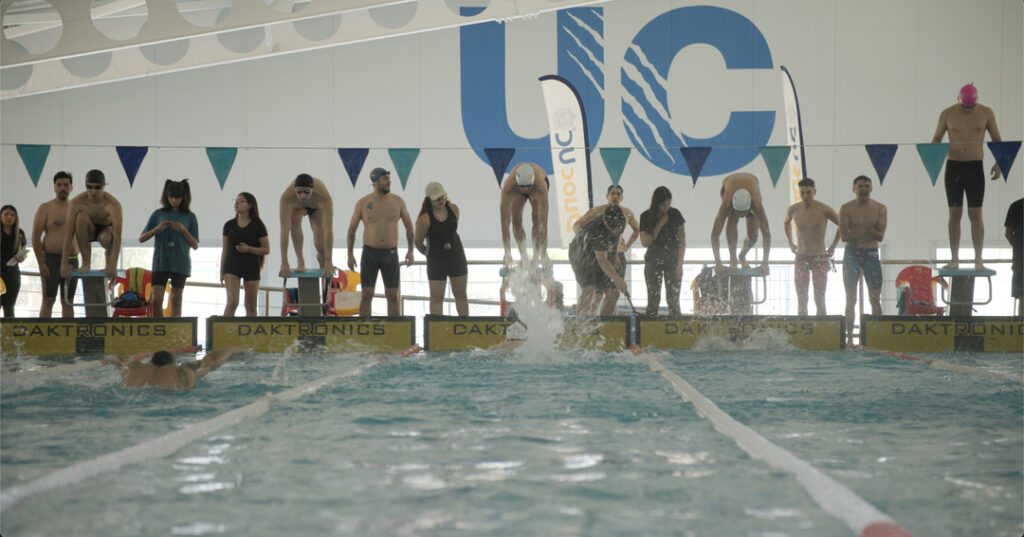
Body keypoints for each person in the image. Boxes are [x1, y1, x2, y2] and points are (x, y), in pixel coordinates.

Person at [930, 83, 1003, 270]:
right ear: (958, 100)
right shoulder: (947, 114)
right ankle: (954, 259)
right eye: (964, 107)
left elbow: (997, 139)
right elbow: (936, 140)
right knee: (954, 213)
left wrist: (999, 163)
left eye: (970, 107)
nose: (968, 110)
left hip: (975, 167)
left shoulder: (986, 113)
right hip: (953, 166)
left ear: (976, 101)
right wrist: (933, 164)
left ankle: (979, 260)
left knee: (976, 214)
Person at [346, 167, 414, 316]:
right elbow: (352, 231)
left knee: (393, 296)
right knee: (366, 294)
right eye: (385, 179)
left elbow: (409, 227)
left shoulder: (398, 201)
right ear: (375, 182)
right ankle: (365, 330)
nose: (389, 182)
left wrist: (410, 251)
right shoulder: (363, 203)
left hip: (390, 254)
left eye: (389, 178)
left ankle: (394, 331)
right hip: (370, 253)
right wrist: (350, 255)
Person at [573, 185, 640, 311]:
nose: (615, 196)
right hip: (597, 253)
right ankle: (585, 322)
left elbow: (637, 230)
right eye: (613, 194)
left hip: (616, 254)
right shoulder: (597, 211)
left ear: (622, 197)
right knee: (594, 292)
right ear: (607, 196)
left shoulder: (627, 213)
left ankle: (608, 324)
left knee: (613, 292)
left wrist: (626, 246)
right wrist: (587, 245)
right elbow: (577, 226)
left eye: (618, 194)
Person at [139, 180, 199, 317]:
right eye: (171, 197)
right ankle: (159, 328)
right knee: (156, 299)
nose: (174, 200)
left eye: (177, 197)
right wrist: (158, 228)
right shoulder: (157, 214)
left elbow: (195, 244)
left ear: (183, 198)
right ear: (166, 196)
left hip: (180, 263)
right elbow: (141, 238)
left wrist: (183, 230)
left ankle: (175, 329)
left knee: (176, 299)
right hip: (160, 262)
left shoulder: (190, 217)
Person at [840, 175, 887, 346]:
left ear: (871, 188)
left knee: (875, 298)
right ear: (854, 189)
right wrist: (867, 229)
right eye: (860, 186)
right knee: (850, 298)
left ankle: (878, 338)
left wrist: (862, 230)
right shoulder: (846, 208)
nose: (863, 189)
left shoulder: (880, 208)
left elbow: (880, 236)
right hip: (852, 253)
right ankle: (850, 339)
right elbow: (844, 236)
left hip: (871, 253)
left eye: (867, 186)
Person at [783, 178, 841, 316]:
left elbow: (842, 224)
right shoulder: (793, 209)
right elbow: (786, 223)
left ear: (814, 191)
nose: (805, 196)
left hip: (819, 258)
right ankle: (804, 331)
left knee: (819, 298)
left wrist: (833, 246)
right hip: (801, 257)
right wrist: (790, 242)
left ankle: (821, 330)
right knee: (802, 299)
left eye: (808, 192)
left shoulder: (824, 209)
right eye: (802, 193)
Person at [414, 181, 469, 316]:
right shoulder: (424, 219)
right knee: (437, 298)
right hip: (436, 258)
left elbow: (451, 230)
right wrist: (430, 254)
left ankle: (465, 328)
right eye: (437, 198)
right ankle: (436, 331)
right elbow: (418, 242)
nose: (441, 200)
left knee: (461, 294)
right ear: (429, 200)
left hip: (456, 255)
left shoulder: (454, 209)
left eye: (443, 197)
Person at [60, 169, 123, 280]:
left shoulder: (113, 205)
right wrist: (64, 262)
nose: (93, 192)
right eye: (89, 187)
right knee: (81, 218)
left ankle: (108, 259)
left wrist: (113, 263)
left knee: (106, 237)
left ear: (104, 186)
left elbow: (117, 237)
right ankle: (86, 261)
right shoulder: (76, 202)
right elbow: (69, 234)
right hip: (88, 230)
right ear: (85, 185)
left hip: (106, 230)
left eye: (97, 187)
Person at [32, 171, 79, 317]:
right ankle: (44, 337)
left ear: (71, 187)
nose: (62, 188)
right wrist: (41, 263)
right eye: (59, 185)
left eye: (66, 185)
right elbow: (35, 237)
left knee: (68, 301)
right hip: (50, 260)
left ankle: (68, 338)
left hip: (72, 260)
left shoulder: (78, 209)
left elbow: (86, 237)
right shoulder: (45, 208)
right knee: (48, 299)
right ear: (54, 187)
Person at [569, 205, 628, 316]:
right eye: (612, 228)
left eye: (618, 228)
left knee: (614, 293)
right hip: (581, 254)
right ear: (605, 221)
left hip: (600, 252)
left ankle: (603, 325)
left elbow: (614, 241)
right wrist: (617, 279)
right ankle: (582, 325)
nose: (615, 231)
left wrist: (614, 256)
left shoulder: (621, 222)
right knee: (589, 289)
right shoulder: (597, 230)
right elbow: (602, 261)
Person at [710, 173, 771, 275]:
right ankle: (733, 259)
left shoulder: (756, 204)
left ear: (750, 205)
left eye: (745, 212)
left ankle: (742, 255)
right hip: (727, 187)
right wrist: (718, 263)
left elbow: (766, 234)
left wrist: (765, 262)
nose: (742, 215)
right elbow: (714, 235)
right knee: (732, 218)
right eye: (739, 211)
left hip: (752, 182)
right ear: (733, 205)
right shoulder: (727, 204)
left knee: (753, 236)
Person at [639, 186, 686, 316]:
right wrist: (659, 224)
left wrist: (680, 265)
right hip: (653, 261)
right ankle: (649, 331)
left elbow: (682, 241)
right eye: (663, 205)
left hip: (672, 260)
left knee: (673, 300)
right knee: (653, 300)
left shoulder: (675, 214)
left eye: (669, 204)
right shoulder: (646, 216)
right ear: (656, 204)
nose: (667, 208)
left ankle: (676, 330)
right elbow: (645, 242)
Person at [221, 192, 270, 316]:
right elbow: (225, 249)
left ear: (250, 206)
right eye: (236, 201)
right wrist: (222, 271)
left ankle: (251, 334)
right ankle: (223, 332)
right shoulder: (229, 225)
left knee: (251, 305)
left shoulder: (258, 225)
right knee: (232, 302)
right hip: (231, 266)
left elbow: (266, 249)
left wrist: (249, 249)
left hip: (251, 266)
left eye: (241, 201)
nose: (237, 203)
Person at [279, 173, 334, 278]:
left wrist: (329, 259)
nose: (303, 196)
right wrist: (284, 261)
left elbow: (328, 230)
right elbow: (284, 231)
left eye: (307, 192)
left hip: (316, 208)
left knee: (321, 249)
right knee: (294, 219)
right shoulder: (287, 198)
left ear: (312, 190)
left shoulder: (323, 197)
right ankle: (300, 260)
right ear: (295, 190)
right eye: (299, 192)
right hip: (297, 208)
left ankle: (324, 282)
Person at [106, 347, 242, 390]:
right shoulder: (182, 371)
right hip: (173, 398)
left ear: (152, 362)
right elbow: (210, 362)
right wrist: (232, 350)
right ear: (172, 363)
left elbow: (119, 359)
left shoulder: (133, 369)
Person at [499, 162, 550, 270]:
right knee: (516, 219)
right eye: (523, 186)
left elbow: (543, 224)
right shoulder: (508, 188)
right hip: (516, 189)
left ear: (532, 182)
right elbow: (504, 223)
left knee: (537, 218)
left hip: (538, 184)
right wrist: (507, 252)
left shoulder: (540, 187)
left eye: (528, 186)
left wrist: (543, 253)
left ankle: (536, 256)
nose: (526, 189)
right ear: (518, 183)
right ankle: (523, 257)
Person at [1, 205, 28, 317]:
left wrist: (22, 258)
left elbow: (23, 251)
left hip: (13, 273)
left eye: (12, 215)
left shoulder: (20, 233)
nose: (9, 217)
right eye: (6, 214)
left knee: (9, 306)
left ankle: (9, 333)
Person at [1005, 198, 1023, 318]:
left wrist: (1017, 248)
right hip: (1021, 258)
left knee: (1022, 295)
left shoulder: (1016, 206)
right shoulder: (1016, 206)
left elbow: (1008, 233)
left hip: (1020, 257)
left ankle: (1021, 329)